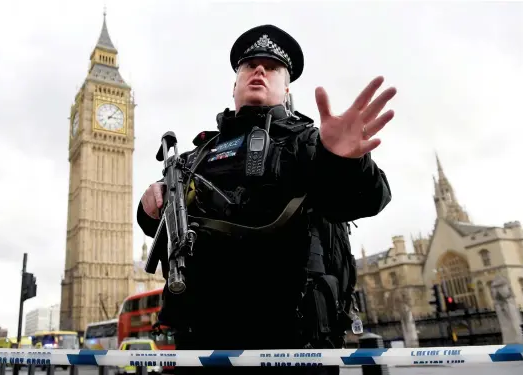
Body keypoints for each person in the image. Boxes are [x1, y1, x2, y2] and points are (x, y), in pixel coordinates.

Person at [137, 24, 395, 375]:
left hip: (295, 342)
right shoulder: (198, 156)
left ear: (286, 88)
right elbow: (159, 225)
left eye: (271, 68)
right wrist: (150, 204)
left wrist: (344, 161)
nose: (259, 71)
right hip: (205, 343)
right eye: (249, 66)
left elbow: (366, 199)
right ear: (235, 85)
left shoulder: (309, 144)